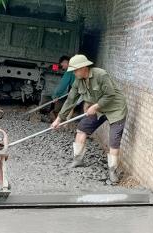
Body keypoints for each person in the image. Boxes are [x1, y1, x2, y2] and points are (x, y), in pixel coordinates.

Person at [51, 54, 127, 183]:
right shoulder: (78, 81)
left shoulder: (100, 75)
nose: (74, 73)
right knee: (81, 129)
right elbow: (70, 100)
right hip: (98, 110)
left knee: (114, 140)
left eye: (75, 70)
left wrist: (95, 106)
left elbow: (110, 94)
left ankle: (112, 171)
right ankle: (78, 160)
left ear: (84, 67)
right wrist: (59, 119)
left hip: (115, 109)